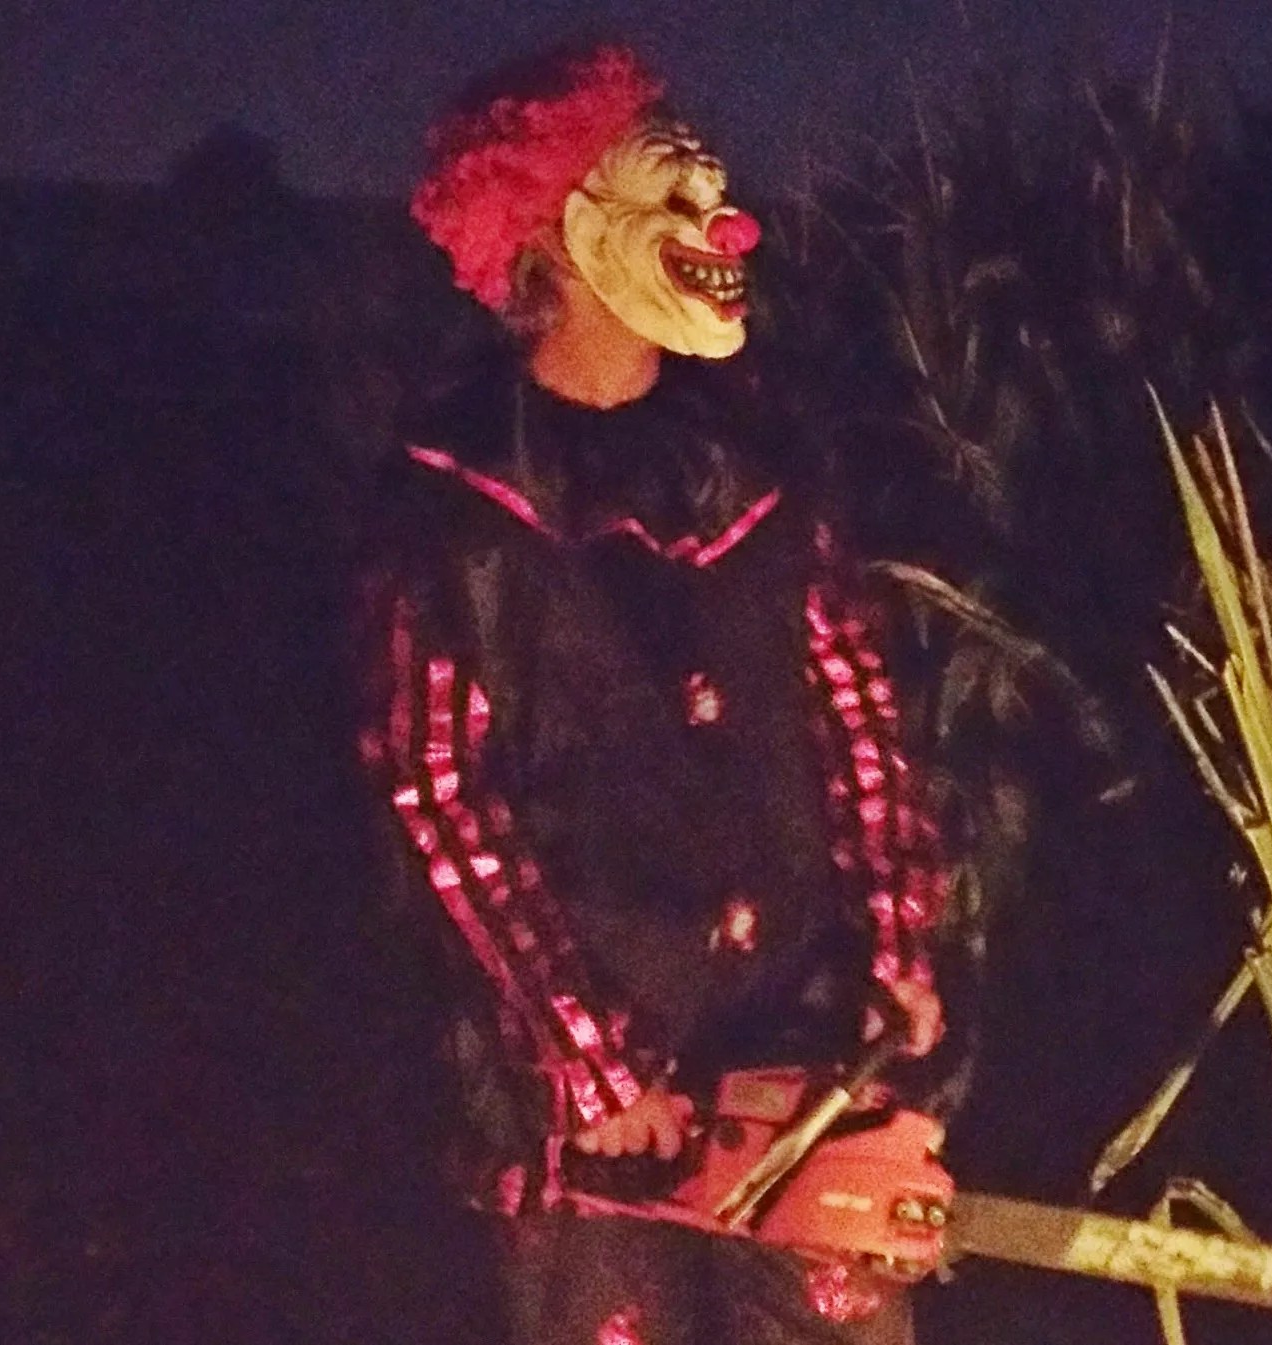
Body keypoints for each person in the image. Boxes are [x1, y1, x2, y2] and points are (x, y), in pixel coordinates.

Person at [356, 42, 952, 1345]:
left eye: (717, 194)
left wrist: (897, 938)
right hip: (601, 1100)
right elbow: (438, 795)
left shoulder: (754, 465)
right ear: (564, 236)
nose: (725, 226)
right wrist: (589, 1052)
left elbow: (854, 707)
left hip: (797, 1033)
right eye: (673, 198)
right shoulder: (456, 512)